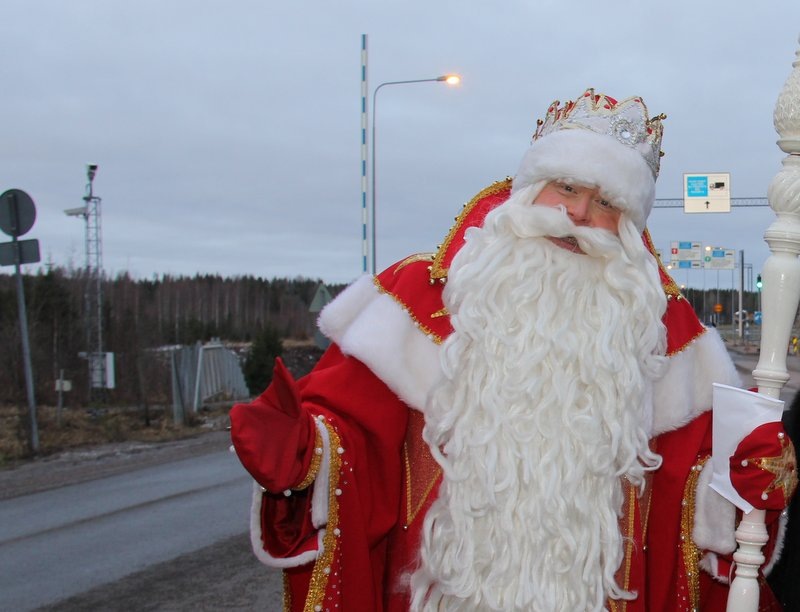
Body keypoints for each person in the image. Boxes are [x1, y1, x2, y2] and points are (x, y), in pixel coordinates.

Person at [230, 89, 797, 611]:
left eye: (605, 203)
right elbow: (356, 441)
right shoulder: (421, 298)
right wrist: (310, 454)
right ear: (529, 190)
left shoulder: (666, 337)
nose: (577, 215)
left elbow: (694, 490)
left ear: (628, 227)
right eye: (567, 188)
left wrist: (741, 481)